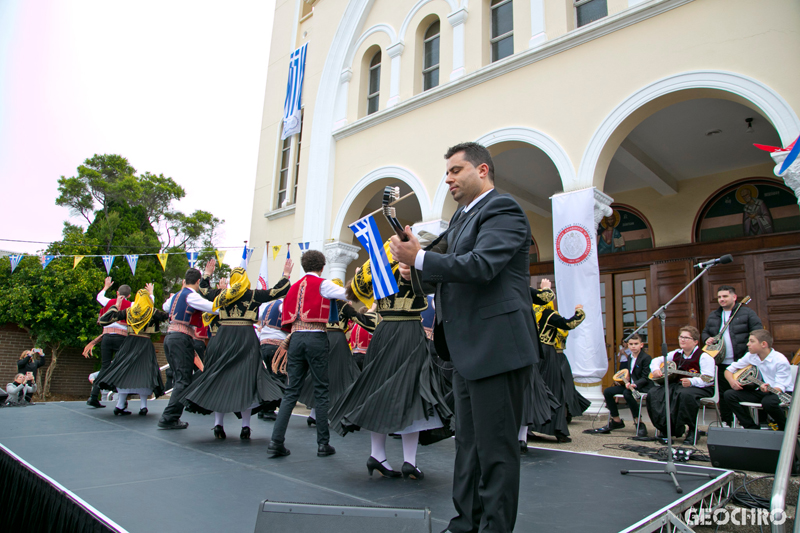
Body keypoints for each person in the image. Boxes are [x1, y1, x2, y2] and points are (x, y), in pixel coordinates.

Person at [390, 142, 540, 533]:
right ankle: (465, 524)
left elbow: (482, 266)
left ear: (483, 170)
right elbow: (451, 269)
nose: (448, 178)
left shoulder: (502, 209)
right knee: (468, 447)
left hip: (497, 347)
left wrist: (419, 260)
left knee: (496, 451)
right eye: (448, 172)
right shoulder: (460, 219)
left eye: (456, 170)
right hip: (465, 348)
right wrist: (415, 270)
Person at [327, 243, 453, 480]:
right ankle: (409, 461)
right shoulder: (413, 264)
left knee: (378, 390)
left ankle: (377, 455)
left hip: (383, 330)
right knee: (412, 393)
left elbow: (352, 292)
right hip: (409, 330)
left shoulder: (376, 268)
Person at [181, 261, 292, 440]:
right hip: (245, 338)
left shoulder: (221, 295)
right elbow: (277, 291)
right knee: (247, 380)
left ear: (232, 280)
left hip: (223, 337)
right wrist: (285, 274)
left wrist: (208, 274)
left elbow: (202, 290)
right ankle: (246, 427)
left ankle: (218, 425)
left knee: (218, 379)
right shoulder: (252, 295)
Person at [268, 250, 346, 458]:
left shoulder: (293, 288)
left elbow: (284, 311)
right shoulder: (323, 284)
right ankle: (323, 443)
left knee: (291, 390)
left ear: (303, 267)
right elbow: (347, 294)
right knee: (321, 390)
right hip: (316, 337)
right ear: (322, 267)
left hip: (296, 338)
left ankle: (276, 441)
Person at [298, 280, 377, 428]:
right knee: (339, 376)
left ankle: (314, 414)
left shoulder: (321, 302)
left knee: (319, 375)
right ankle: (334, 414)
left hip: (320, 337)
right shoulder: (342, 305)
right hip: (337, 340)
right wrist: (374, 322)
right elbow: (357, 318)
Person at [157, 262, 218, 430]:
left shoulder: (176, 296)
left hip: (170, 337)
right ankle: (169, 417)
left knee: (180, 378)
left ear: (184, 281)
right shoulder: (192, 296)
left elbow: (165, 307)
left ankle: (172, 415)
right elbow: (212, 308)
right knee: (183, 380)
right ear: (198, 282)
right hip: (181, 338)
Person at [96, 285, 168, 416]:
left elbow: (104, 320)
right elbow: (168, 316)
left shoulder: (129, 311)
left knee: (125, 372)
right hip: (145, 343)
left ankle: (120, 404)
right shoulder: (153, 312)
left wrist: (116, 306)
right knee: (144, 373)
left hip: (129, 343)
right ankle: (143, 406)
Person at [527, 287, 586, 443]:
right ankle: (558, 430)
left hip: (533, 353)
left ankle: (528, 428)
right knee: (554, 390)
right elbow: (569, 324)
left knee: (534, 390)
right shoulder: (548, 314)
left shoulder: (531, 313)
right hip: (547, 354)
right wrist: (580, 312)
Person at [702, 285, 762, 427]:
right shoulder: (714, 315)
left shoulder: (747, 313)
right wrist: (707, 339)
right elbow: (705, 332)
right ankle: (726, 421)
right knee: (723, 394)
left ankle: (745, 423)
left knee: (743, 392)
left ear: (734, 297)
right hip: (721, 362)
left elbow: (757, 332)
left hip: (741, 362)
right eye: (719, 297)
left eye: (725, 296)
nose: (722, 299)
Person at [647, 326, 715, 445]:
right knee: (655, 393)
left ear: (695, 341)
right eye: (681, 337)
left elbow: (708, 379)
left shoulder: (704, 357)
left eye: (686, 337)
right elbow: (656, 360)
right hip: (678, 386)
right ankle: (666, 429)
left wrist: (692, 382)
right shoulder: (676, 354)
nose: (682, 340)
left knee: (684, 395)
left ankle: (692, 430)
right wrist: (656, 369)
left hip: (700, 388)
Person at [723, 329, 793, 431]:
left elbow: (780, 387)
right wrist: (732, 381)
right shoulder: (751, 356)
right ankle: (751, 428)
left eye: (752, 341)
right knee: (729, 394)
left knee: (768, 402)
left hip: (781, 393)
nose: (748, 344)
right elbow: (729, 370)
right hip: (763, 391)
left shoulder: (780, 360)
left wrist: (769, 389)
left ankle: (785, 428)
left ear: (763, 344)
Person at [588, 334, 653, 437]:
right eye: (631, 344)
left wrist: (634, 384)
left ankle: (638, 422)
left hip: (642, 386)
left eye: (636, 344)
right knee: (608, 391)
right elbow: (630, 373)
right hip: (629, 385)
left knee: (627, 394)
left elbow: (646, 377)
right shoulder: (630, 357)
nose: (633, 346)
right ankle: (616, 420)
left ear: (641, 345)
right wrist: (624, 381)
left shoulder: (646, 358)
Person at [86, 277, 132, 408]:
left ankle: (94, 396)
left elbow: (99, 296)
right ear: (129, 295)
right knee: (120, 366)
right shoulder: (130, 305)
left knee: (105, 367)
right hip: (120, 337)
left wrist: (106, 287)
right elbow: (146, 304)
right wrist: (150, 294)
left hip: (106, 337)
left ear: (117, 292)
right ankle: (121, 399)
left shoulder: (107, 301)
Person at [257, 298, 287, 421]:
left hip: (264, 343)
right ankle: (269, 408)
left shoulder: (267, 306)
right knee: (279, 377)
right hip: (277, 344)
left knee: (269, 377)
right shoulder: (283, 305)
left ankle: (264, 408)